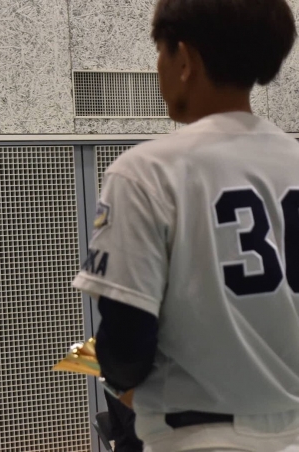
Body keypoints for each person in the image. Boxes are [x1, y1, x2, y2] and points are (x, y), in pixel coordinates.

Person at [72, 0, 299, 451]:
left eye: (160, 51)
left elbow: (126, 350)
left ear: (185, 58)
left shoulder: (145, 171)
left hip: (199, 436)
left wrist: (110, 368)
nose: (159, 66)